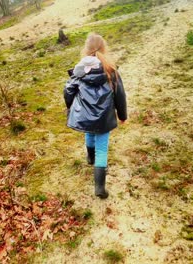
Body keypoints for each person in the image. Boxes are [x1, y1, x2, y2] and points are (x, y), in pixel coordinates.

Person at [63, 33, 127, 199]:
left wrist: (70, 107)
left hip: (84, 115)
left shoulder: (79, 71)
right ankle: (99, 187)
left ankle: (90, 158)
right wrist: (123, 115)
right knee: (102, 149)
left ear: (86, 49)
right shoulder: (111, 71)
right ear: (103, 48)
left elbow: (68, 90)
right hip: (104, 117)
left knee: (89, 133)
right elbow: (120, 95)